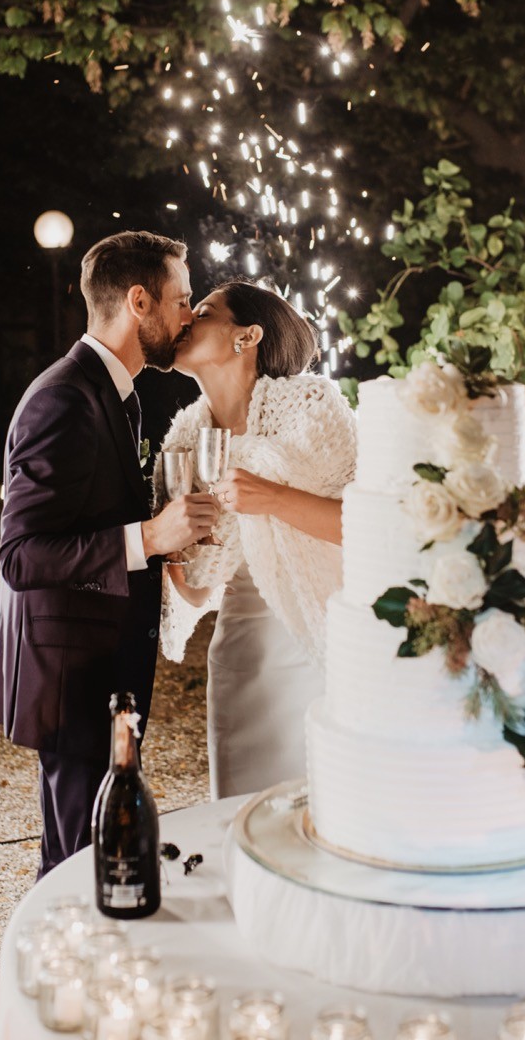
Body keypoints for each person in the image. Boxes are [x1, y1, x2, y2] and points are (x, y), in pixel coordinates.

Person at [0, 230, 220, 877]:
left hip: (101, 670)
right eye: (182, 300)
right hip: (70, 676)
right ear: (139, 301)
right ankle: (59, 976)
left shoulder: (116, 392)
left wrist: (168, 538)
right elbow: (22, 555)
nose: (189, 316)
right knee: (72, 868)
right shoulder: (63, 398)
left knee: (89, 856)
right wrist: (149, 538)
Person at [153, 279, 357, 799]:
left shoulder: (312, 406)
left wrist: (269, 497)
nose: (185, 320)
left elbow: (364, 529)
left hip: (318, 648)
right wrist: (173, 540)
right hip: (239, 659)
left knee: (321, 814)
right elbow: (196, 593)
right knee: (240, 820)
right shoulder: (181, 443)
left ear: (246, 337)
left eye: (202, 311)